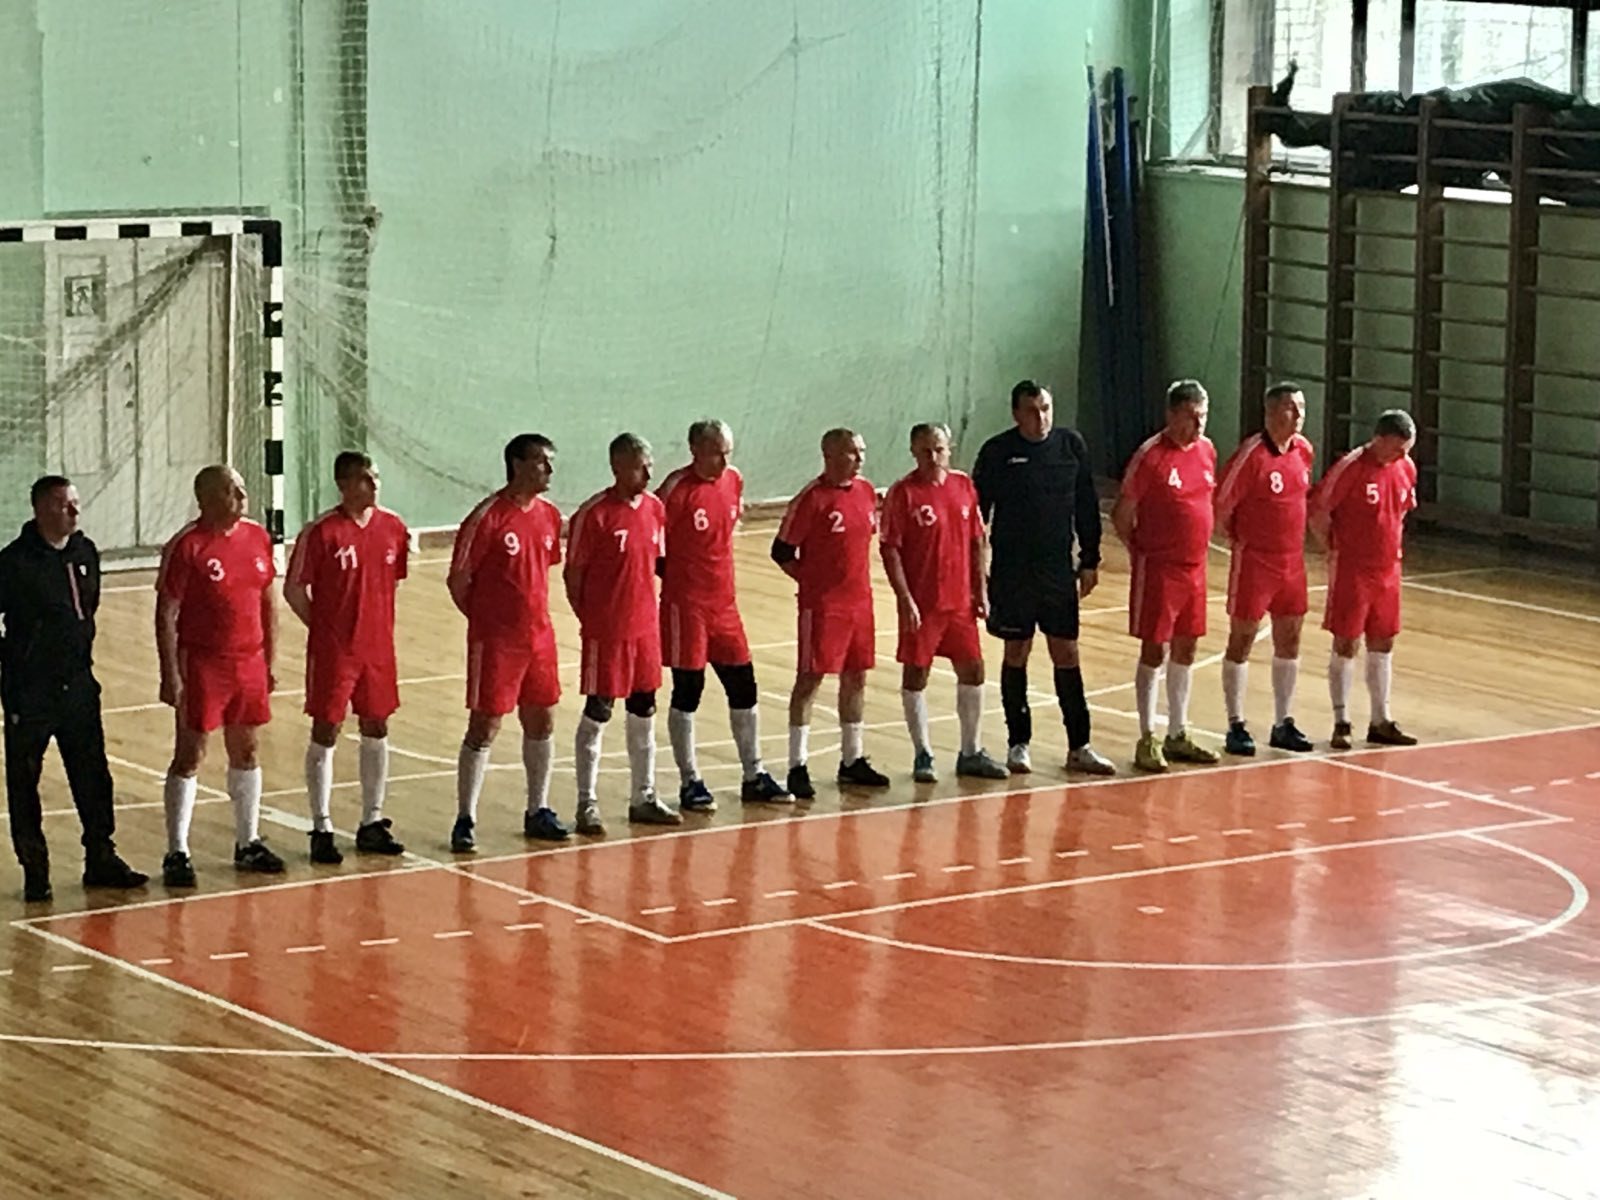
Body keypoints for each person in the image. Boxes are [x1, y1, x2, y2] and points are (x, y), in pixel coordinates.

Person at [0, 476, 147, 901]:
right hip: (30, 692)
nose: (75, 511)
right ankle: (35, 868)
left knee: (93, 774)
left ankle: (101, 855)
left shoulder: (85, 553)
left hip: (79, 685)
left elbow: (88, 608)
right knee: (25, 780)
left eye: (76, 503)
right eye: (65, 504)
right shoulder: (14, 563)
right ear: (42, 508)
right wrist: (16, 659)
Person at [971, 381, 1115, 776]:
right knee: (1016, 651)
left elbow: (1086, 504)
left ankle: (1079, 746)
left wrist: (1090, 559)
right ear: (1016, 414)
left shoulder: (1071, 447)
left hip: (1056, 571)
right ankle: (1018, 743)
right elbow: (977, 518)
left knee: (1066, 652)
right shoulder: (998, 452)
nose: (1041, 418)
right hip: (1012, 572)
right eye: (1032, 411)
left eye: (1046, 408)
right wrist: (976, 570)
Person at [155, 465, 284, 886]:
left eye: (242, 489)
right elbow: (167, 611)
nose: (242, 497)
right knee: (190, 753)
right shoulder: (187, 546)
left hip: (248, 661)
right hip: (203, 663)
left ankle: (248, 842)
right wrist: (170, 673)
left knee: (246, 749)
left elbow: (268, 602)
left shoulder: (257, 537)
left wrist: (270, 661)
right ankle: (177, 851)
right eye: (232, 491)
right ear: (207, 499)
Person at [284, 452, 410, 863]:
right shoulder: (321, 533)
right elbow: (294, 590)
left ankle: (372, 820)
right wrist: (324, 628)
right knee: (327, 728)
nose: (374, 486)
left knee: (377, 725)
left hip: (378, 649)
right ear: (344, 484)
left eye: (376, 477)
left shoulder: (393, 528)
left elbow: (392, 582)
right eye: (365, 479)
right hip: (335, 652)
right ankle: (321, 826)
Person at [657, 420, 789, 810]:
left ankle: (754, 774)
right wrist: (681, 579)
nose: (724, 461)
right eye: (717, 453)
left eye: (728, 452)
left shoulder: (733, 481)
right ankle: (690, 781)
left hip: (725, 606)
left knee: (743, 686)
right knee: (689, 690)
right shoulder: (675, 491)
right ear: (695, 449)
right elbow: (653, 546)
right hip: (687, 607)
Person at [446, 434, 568, 852]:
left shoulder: (549, 516)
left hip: (540, 638)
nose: (549, 470)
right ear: (518, 464)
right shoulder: (487, 519)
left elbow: (542, 571)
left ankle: (538, 809)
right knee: (485, 725)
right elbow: (459, 580)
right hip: (497, 643)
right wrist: (487, 622)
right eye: (541, 462)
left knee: (542, 720)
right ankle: (465, 818)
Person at [565, 433, 680, 832]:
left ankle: (643, 796)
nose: (648, 473)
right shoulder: (593, 515)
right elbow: (573, 576)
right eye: (639, 466)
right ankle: (586, 803)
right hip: (607, 630)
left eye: (650, 465)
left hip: (645, 628)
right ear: (617, 467)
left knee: (644, 707)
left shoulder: (654, 509)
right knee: (599, 710)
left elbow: (656, 563)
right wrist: (592, 620)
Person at [880, 423, 1009, 783]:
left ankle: (971, 751)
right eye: (925, 451)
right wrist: (904, 598)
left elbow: (977, 540)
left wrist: (981, 590)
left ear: (948, 449)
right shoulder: (903, 494)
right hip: (924, 604)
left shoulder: (963, 485)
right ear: (913, 452)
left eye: (938, 449)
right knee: (916, 673)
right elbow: (890, 549)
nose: (932, 457)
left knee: (973, 670)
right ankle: (923, 753)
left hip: (960, 602)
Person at [771, 428, 890, 798]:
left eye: (862, 451)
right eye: (852, 452)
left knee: (856, 677)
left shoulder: (866, 492)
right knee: (810, 679)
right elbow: (781, 552)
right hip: (823, 607)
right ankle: (797, 766)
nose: (860, 458)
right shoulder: (812, 499)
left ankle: (851, 759)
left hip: (860, 603)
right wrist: (812, 583)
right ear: (830, 455)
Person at [1112, 380, 1221, 774]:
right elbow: (1122, 515)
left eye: (1203, 416)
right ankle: (1148, 736)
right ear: (1171, 415)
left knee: (1187, 647)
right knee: (1154, 649)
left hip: (1195, 568)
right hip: (1159, 569)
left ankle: (1178, 732)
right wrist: (1141, 552)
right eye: (1191, 417)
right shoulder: (1151, 457)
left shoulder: (1207, 451)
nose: (1198, 424)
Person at [1214, 384, 1317, 755]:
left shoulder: (1303, 451)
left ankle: (1283, 721)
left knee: (1290, 638)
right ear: (1271, 412)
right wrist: (1239, 539)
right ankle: (1236, 724)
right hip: (1256, 563)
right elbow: (1221, 504)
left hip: (1292, 562)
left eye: (1302, 407)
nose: (1299, 415)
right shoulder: (1252, 455)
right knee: (1242, 638)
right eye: (1291, 407)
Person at [1309, 408, 1421, 749]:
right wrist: (1332, 547)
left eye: (1407, 450)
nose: (1402, 455)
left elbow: (1402, 511)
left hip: (1388, 570)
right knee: (1346, 641)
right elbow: (1319, 510)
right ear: (1380, 439)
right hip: (1353, 569)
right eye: (1398, 448)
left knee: (1383, 641)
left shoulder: (1405, 468)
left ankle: (1380, 719)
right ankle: (1341, 721)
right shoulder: (1351, 467)